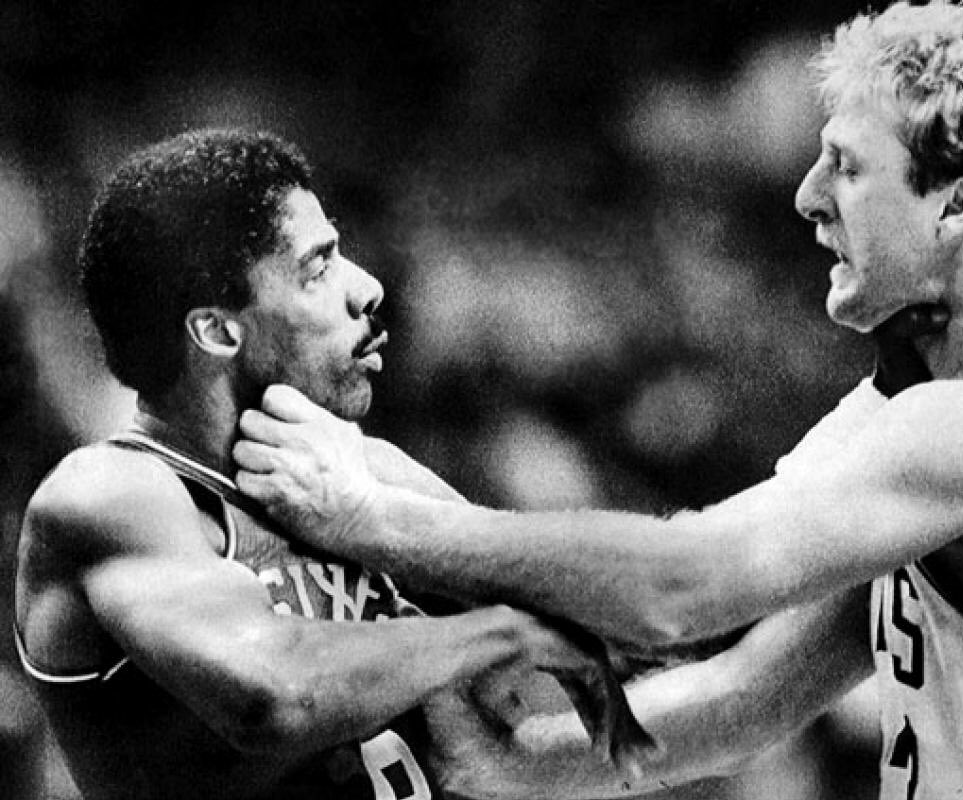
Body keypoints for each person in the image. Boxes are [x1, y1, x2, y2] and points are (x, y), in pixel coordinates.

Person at [233, 2, 963, 797]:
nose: (808, 196)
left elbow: (681, 589)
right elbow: (747, 693)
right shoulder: (911, 419)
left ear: (957, 205)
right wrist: (507, 765)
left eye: (848, 166)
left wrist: (378, 520)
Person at [12, 128, 653, 800]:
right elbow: (272, 694)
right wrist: (496, 634)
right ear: (217, 330)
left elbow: (602, 632)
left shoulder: (363, 470)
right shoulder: (111, 494)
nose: (367, 287)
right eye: (317, 269)